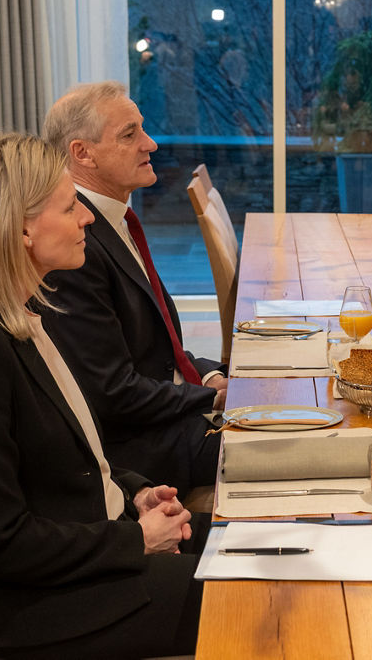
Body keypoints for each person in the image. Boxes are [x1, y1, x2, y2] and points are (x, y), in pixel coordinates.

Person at [0, 133, 202, 658]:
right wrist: (136, 540)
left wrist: (133, 492)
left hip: (82, 566)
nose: (87, 219)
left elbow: (67, 456)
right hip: (40, 612)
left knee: (257, 562)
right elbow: (0, 543)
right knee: (255, 596)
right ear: (20, 228)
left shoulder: (15, 310)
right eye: (70, 208)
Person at [41, 81, 225, 491]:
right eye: (130, 134)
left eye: (142, 128)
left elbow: (157, 353)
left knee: (301, 407)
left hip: (166, 418)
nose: (151, 144)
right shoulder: (76, 242)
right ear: (82, 153)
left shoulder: (113, 218)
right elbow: (112, 392)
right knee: (301, 443)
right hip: (138, 449)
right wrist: (210, 398)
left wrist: (212, 378)